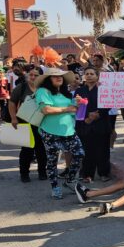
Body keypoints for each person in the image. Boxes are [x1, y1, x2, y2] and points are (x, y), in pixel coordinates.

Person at [34, 67, 85, 199]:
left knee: (79, 154)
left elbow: (74, 111)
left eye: (61, 76)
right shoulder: (43, 91)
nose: (59, 78)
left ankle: (69, 180)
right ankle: (55, 187)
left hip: (68, 131)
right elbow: (46, 110)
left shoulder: (65, 93)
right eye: (55, 76)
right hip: (50, 131)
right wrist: (67, 108)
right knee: (52, 160)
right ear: (48, 80)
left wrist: (78, 104)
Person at [9, 65, 48, 182]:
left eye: (36, 75)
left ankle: (42, 172)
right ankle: (24, 174)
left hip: (42, 123)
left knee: (41, 149)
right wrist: (13, 118)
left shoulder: (45, 89)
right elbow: (12, 103)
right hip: (25, 122)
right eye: (30, 74)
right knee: (27, 150)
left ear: (41, 77)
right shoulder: (21, 88)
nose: (33, 77)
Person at [75, 67, 111, 183]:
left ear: (97, 76)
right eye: (87, 74)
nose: (89, 75)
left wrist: (98, 114)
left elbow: (108, 104)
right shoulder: (79, 91)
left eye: (92, 74)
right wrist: (87, 117)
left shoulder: (103, 89)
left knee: (102, 149)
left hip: (101, 122)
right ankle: (87, 174)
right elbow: (76, 106)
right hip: (84, 124)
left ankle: (104, 173)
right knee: (87, 150)